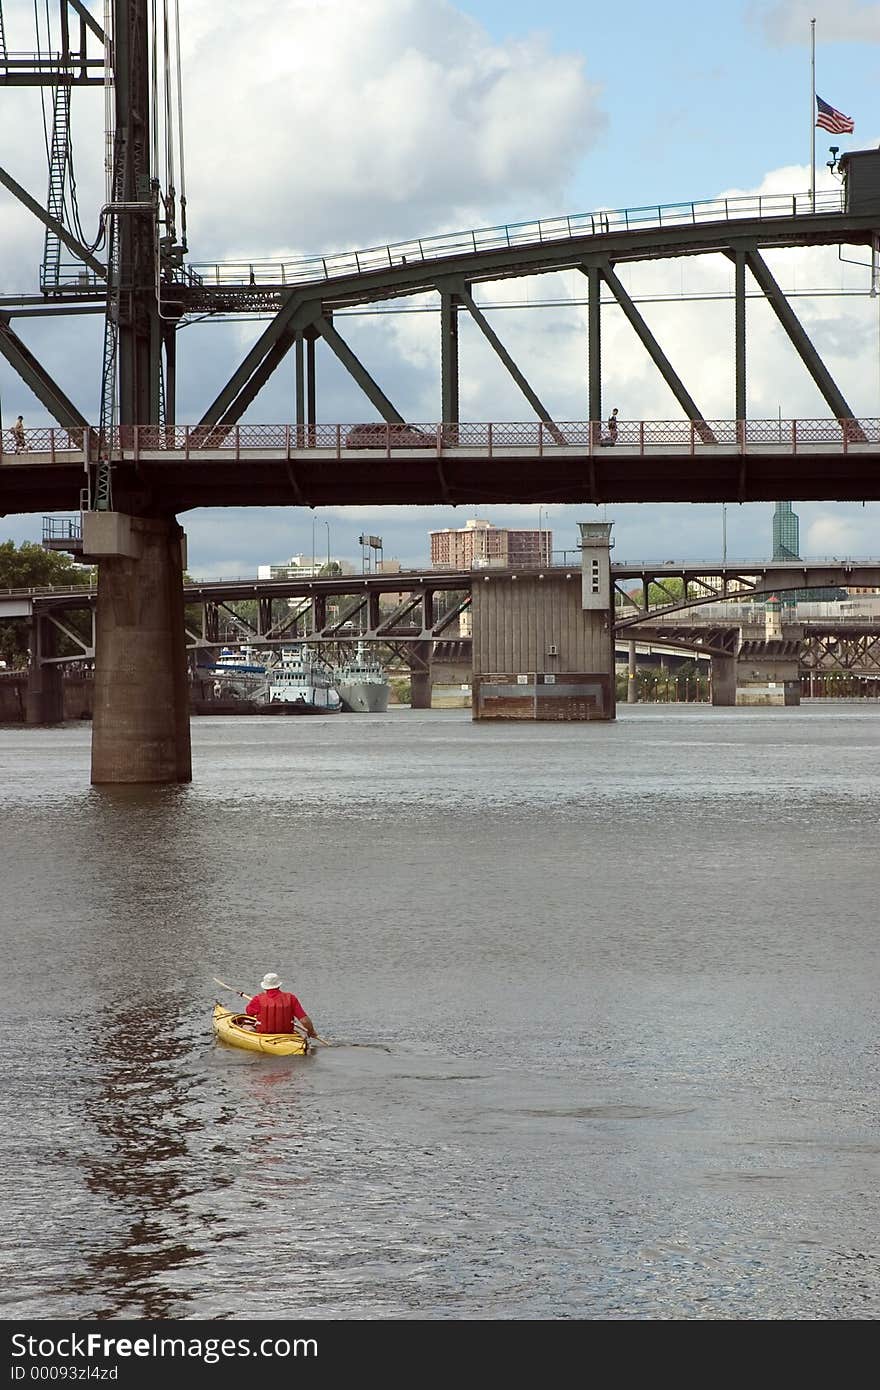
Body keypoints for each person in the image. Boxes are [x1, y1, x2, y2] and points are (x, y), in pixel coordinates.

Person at [245, 971, 317, 1037]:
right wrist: (311, 1031)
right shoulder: (291, 998)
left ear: (264, 987)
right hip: (287, 1034)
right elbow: (304, 1020)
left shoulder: (258, 999)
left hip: (264, 1035)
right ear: (279, 985)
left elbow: (249, 1012)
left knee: (245, 1025)